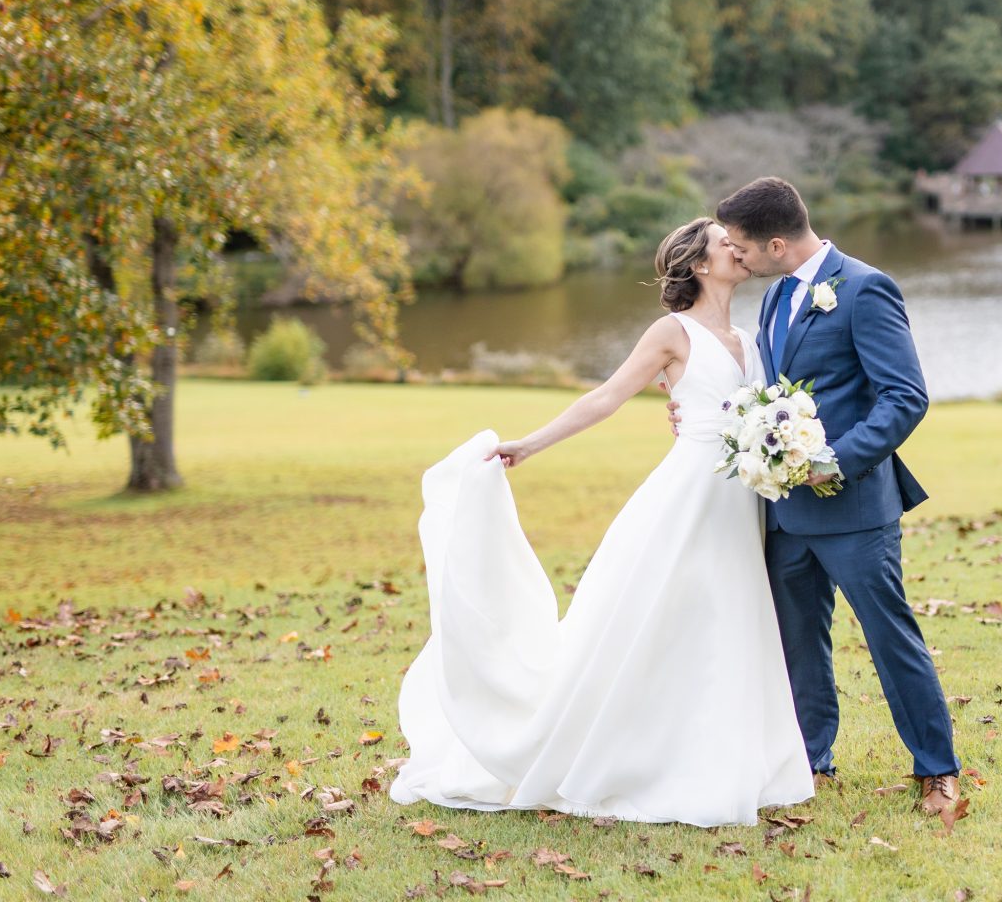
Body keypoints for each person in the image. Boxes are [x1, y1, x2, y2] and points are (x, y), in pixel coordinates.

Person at [388, 217, 813, 827]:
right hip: (686, 497)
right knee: (658, 618)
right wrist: (529, 445)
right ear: (699, 263)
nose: (740, 251)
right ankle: (631, 757)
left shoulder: (749, 337)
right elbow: (606, 397)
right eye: (727, 244)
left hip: (739, 498)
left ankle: (720, 756)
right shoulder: (671, 332)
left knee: (726, 617)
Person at [670, 176, 960, 815]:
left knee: (890, 637)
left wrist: (836, 461)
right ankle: (811, 762)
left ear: (776, 243)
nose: (735, 258)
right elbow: (767, 393)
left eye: (742, 248)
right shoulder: (773, 299)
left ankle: (937, 770)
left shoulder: (865, 289)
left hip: (853, 508)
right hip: (783, 513)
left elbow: (904, 397)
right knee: (799, 643)